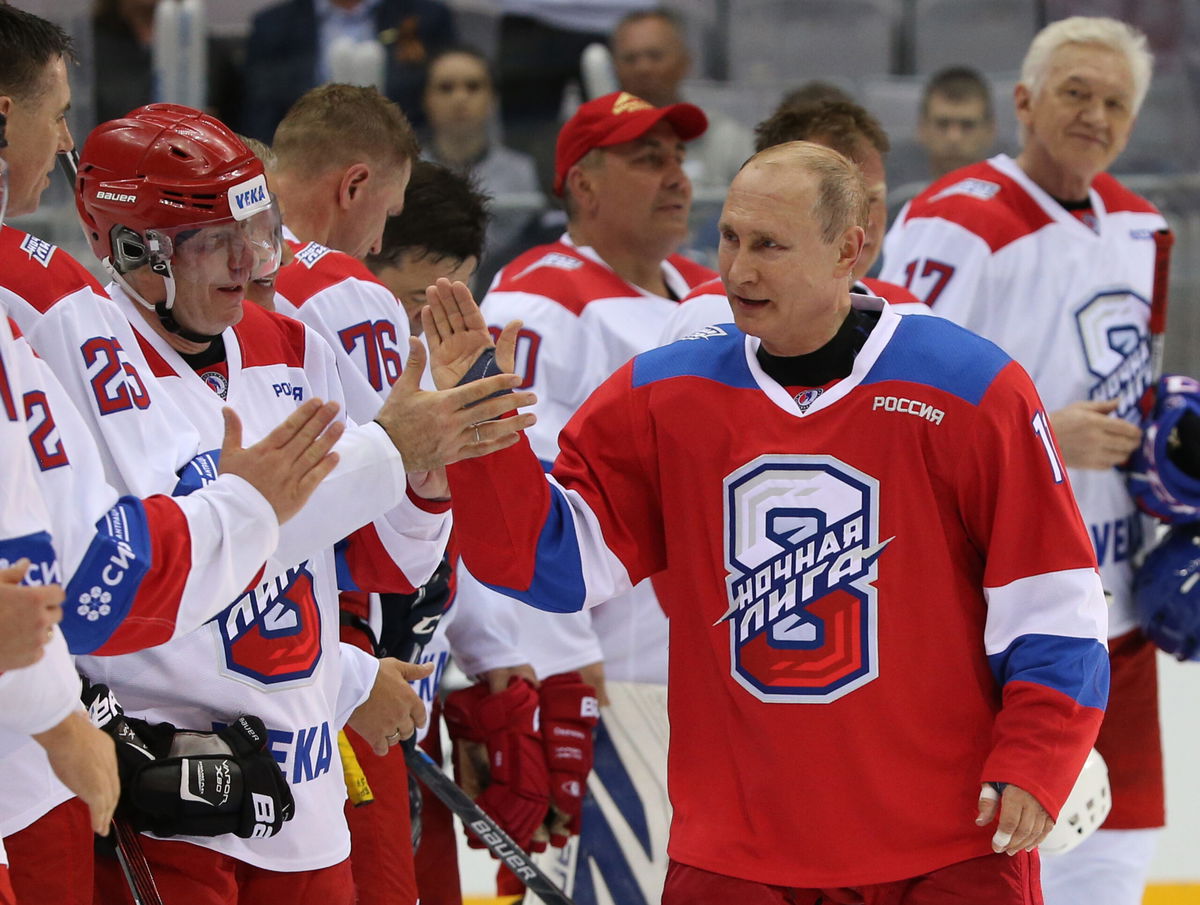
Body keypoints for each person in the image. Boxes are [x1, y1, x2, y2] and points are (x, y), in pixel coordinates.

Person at [423, 139, 1111, 904]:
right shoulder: (664, 391)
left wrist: (1036, 758)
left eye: (770, 246)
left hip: (945, 848)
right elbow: (554, 566)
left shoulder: (970, 389)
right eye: (729, 238)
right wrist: (488, 452)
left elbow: (1057, 604)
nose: (739, 270)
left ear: (849, 248)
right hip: (737, 854)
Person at [71, 104, 534, 905]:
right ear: (134, 247)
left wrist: (432, 467)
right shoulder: (83, 360)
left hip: (306, 785)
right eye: (215, 240)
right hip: (173, 792)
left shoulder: (290, 344)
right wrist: (389, 450)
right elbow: (131, 586)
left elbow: (385, 562)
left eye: (254, 229)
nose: (248, 263)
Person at [879, 17, 1164, 905]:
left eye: (1115, 102)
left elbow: (1139, 387)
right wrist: (1044, 429)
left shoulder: (1144, 227)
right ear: (1026, 101)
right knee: (989, 863)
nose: (1094, 114)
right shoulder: (951, 222)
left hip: (1116, 601)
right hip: (997, 614)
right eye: (1076, 92)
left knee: (1117, 863)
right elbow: (892, 396)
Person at [458, 88, 714, 900]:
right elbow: (516, 501)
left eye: (677, 158)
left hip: (710, 672)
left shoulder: (710, 290)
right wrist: (559, 663)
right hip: (616, 676)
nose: (675, 176)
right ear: (583, 185)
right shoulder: (538, 300)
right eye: (648, 159)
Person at [662, 98, 921, 344]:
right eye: (831, 201)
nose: (862, 222)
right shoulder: (703, 318)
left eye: (872, 200)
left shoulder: (912, 317)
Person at [242, 0, 456, 142]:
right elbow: (259, 116)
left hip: (407, 154)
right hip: (304, 159)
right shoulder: (272, 27)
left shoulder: (426, 18)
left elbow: (442, 102)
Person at [421, 46, 541, 266]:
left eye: (473, 86)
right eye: (446, 88)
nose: (460, 98)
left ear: (493, 98)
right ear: (426, 99)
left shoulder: (524, 172)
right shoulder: (407, 172)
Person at [610, 9, 754, 192]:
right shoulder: (600, 144)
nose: (643, 68)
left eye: (655, 55)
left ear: (685, 61)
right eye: (630, 59)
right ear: (614, 67)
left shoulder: (727, 140)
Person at [917, 66, 997, 181]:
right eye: (942, 124)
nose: (954, 137)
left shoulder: (1012, 197)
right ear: (922, 128)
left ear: (990, 130)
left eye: (967, 125)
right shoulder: (892, 193)